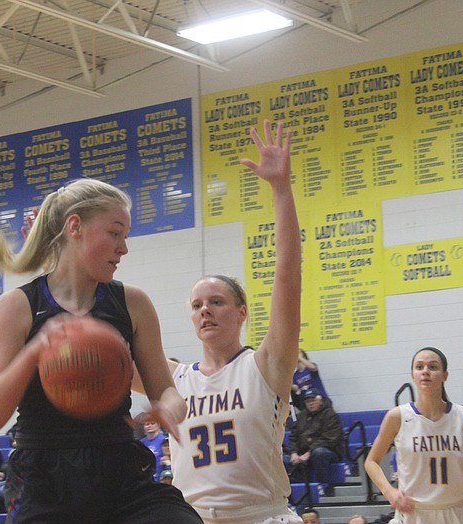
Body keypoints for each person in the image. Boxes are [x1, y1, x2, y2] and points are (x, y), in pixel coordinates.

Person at [0, 177, 202, 523]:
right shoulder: (17, 307)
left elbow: (166, 389)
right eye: (114, 233)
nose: (123, 247)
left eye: (125, 237)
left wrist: (169, 409)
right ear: (75, 226)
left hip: (119, 467)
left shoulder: (133, 303)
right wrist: (37, 352)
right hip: (43, 476)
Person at [160, 120, 303, 523]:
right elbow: (101, 350)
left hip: (262, 515)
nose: (205, 310)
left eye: (217, 301)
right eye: (196, 304)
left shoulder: (266, 365)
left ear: (241, 313)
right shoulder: (173, 377)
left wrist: (280, 189)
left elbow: (287, 274)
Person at [365, 346, 463, 523]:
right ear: (413, 375)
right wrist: (390, 492)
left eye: (433, 367)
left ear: (445, 376)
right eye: (419, 367)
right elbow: (371, 461)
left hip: (456, 511)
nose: (425, 371)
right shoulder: (398, 416)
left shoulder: (462, 417)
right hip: (414, 513)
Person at [286, 387, 344, 495]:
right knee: (284, 459)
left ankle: (323, 488)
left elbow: (329, 439)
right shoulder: (301, 416)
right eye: (308, 401)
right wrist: (293, 453)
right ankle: (301, 492)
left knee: (319, 453)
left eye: (313, 400)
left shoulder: (330, 415)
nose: (310, 403)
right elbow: (293, 437)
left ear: (320, 400)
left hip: (328, 450)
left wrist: (309, 452)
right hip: (303, 452)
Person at [139, 416, 166, 481]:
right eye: (147, 424)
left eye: (152, 423)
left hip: (162, 477)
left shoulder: (164, 440)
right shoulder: (141, 443)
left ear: (158, 425)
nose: (149, 426)